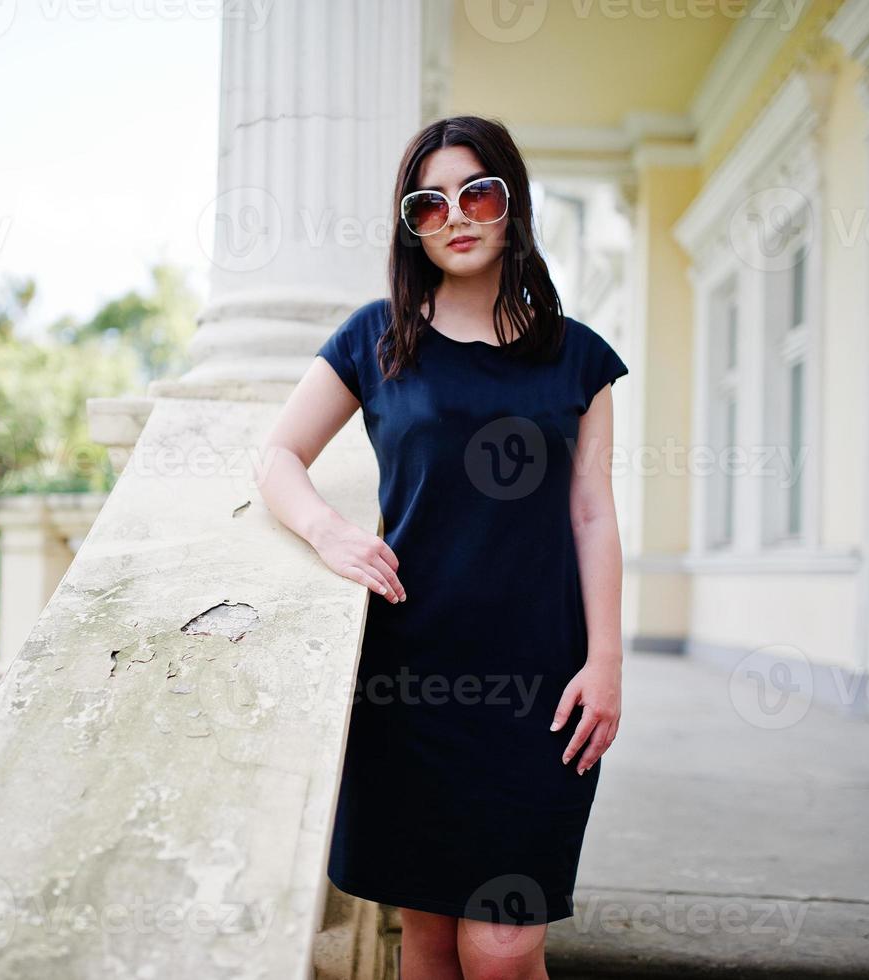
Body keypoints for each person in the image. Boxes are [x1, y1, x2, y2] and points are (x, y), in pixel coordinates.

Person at [253, 114, 628, 979]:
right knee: (424, 937)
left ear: (511, 205)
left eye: (477, 193)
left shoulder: (577, 360)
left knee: (501, 946)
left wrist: (605, 659)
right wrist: (329, 531)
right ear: (409, 226)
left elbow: (592, 515)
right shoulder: (375, 339)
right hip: (410, 675)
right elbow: (277, 458)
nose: (455, 216)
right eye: (428, 204)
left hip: (543, 679)